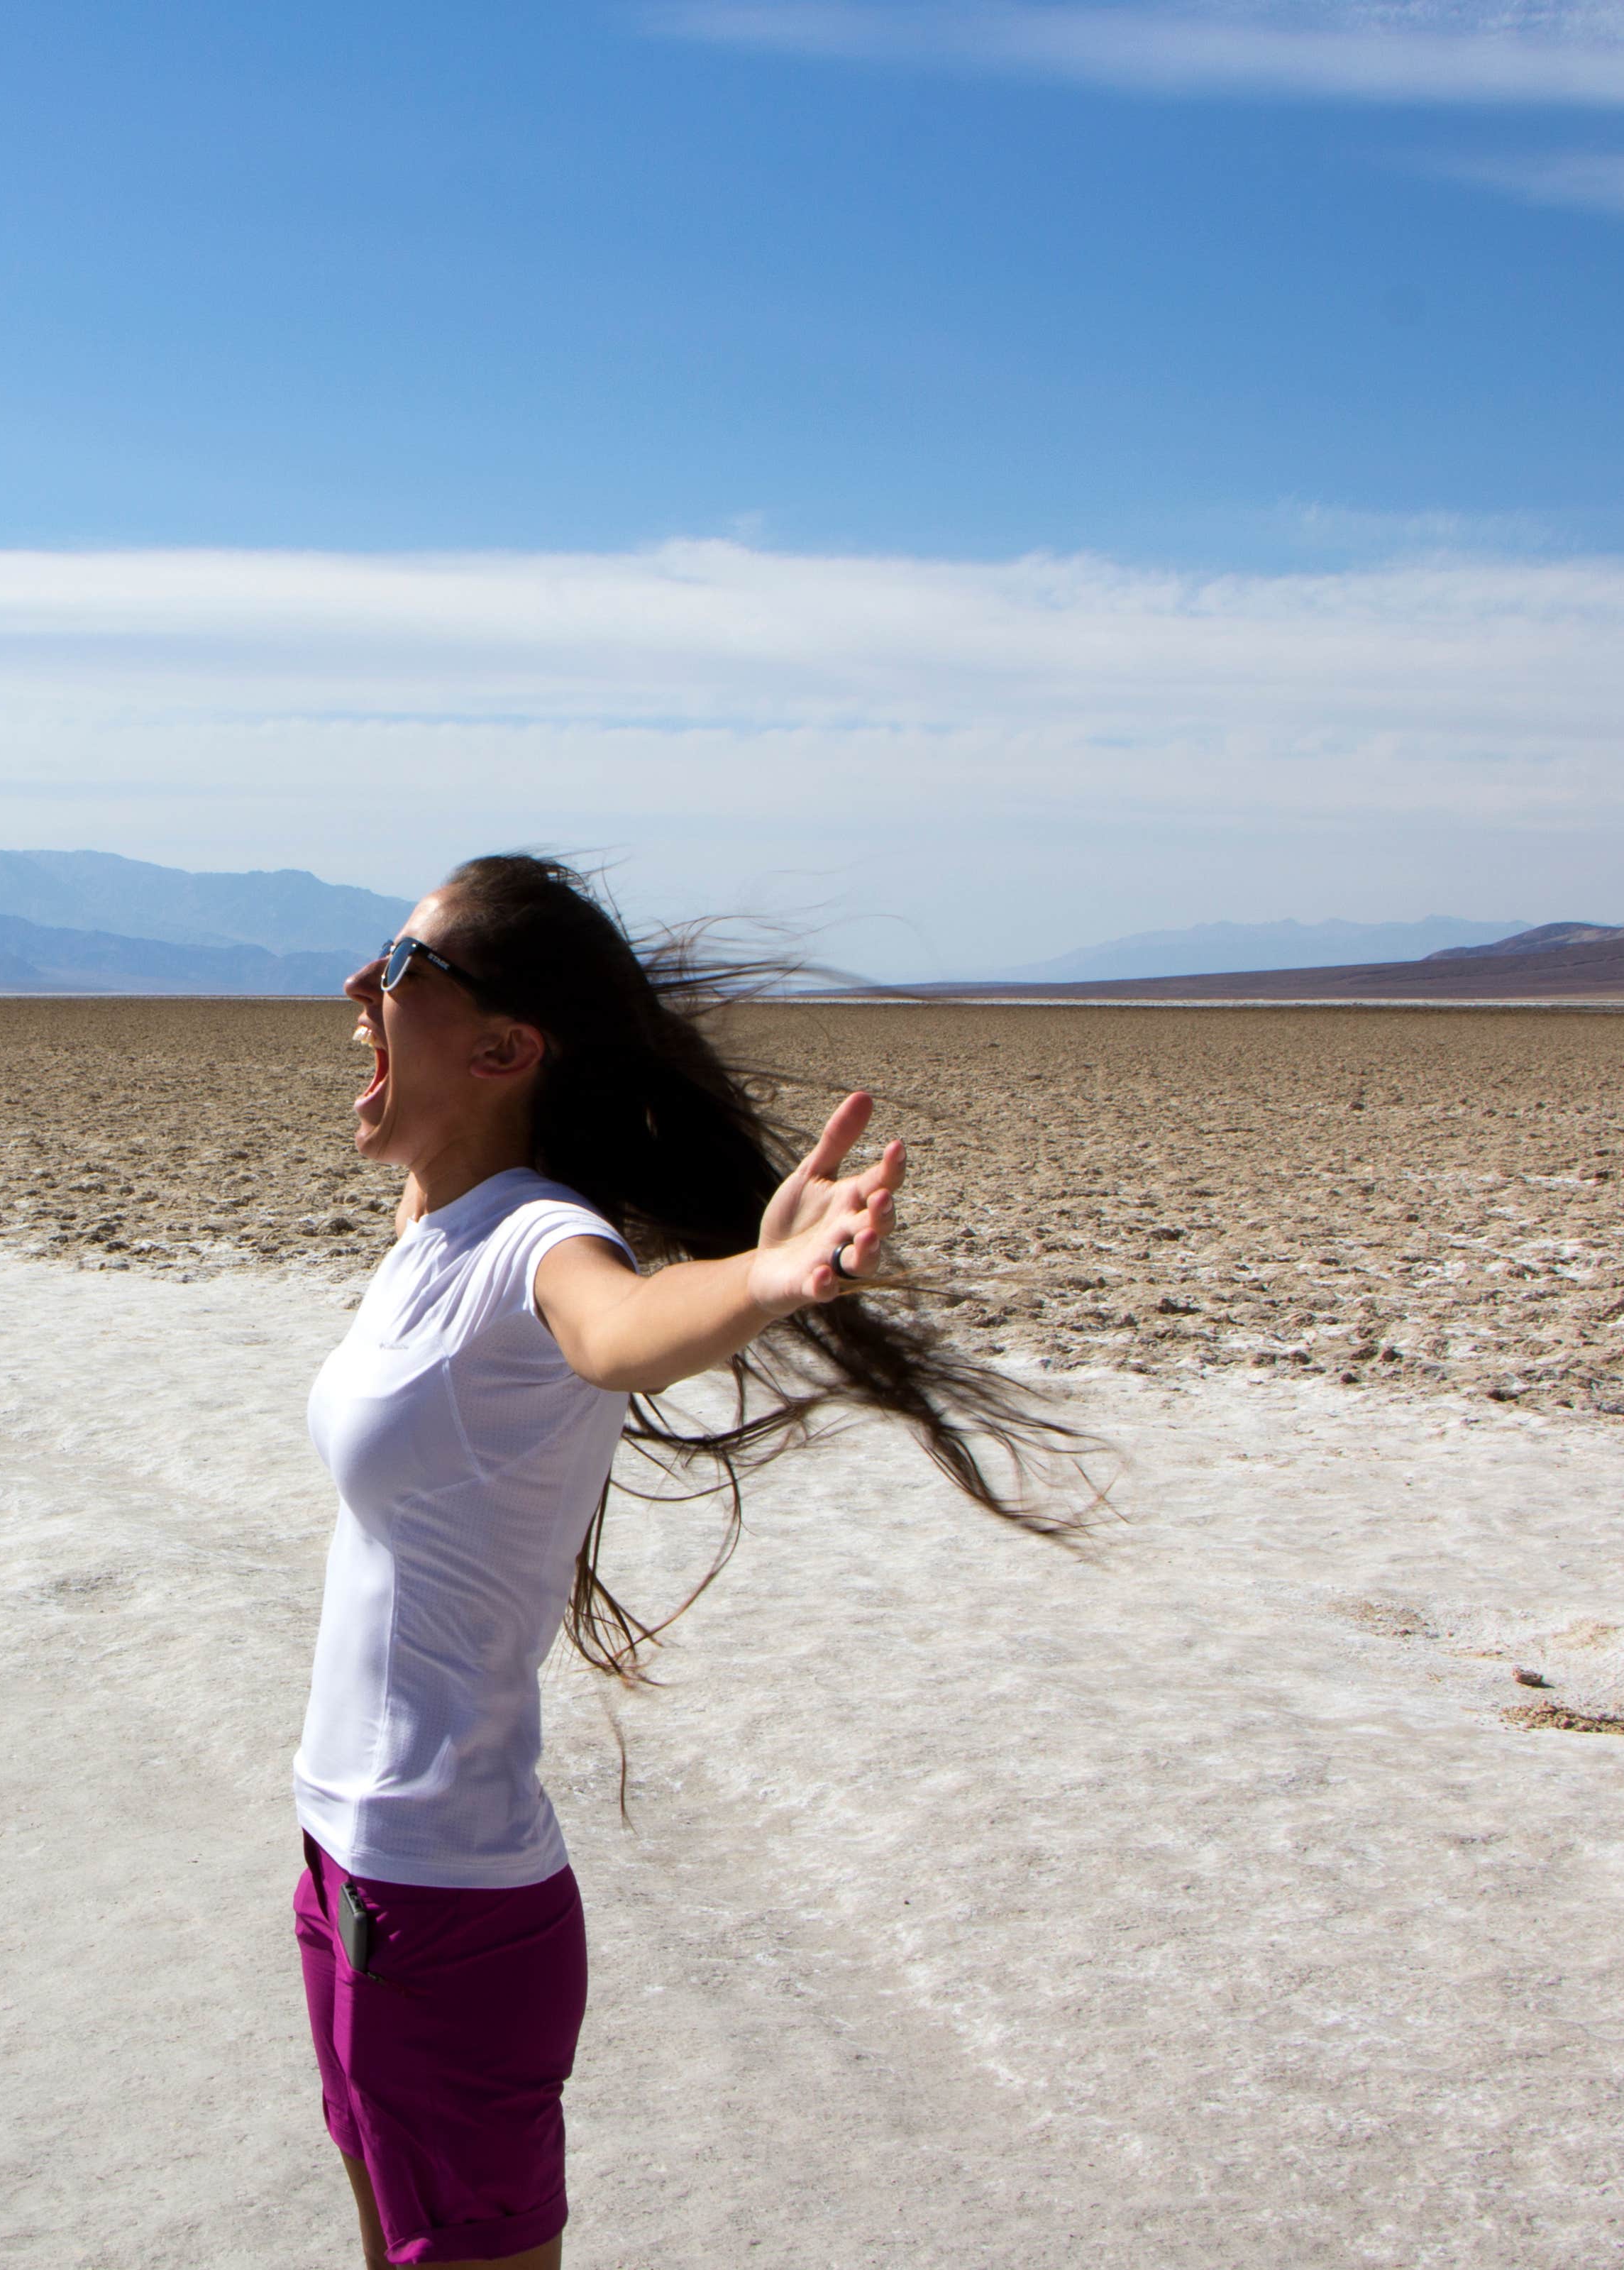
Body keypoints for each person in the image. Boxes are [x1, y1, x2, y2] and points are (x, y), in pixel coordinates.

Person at [292, 854, 1075, 2269]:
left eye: (400, 967)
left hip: (446, 1905)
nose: (360, 985)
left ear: (504, 1047)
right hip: (345, 1862)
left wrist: (770, 1280)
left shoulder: (541, 1238)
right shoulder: (430, 1221)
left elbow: (624, 1326)